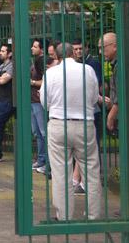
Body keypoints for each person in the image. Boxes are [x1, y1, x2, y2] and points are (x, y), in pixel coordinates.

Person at [41, 42, 102, 220]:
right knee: (91, 170)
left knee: (61, 173)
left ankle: (64, 216)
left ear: (56, 57)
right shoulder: (88, 70)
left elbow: (45, 101)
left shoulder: (51, 72)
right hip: (85, 123)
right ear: (73, 54)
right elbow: (93, 98)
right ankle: (93, 215)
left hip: (59, 122)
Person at [29, 39, 48, 174]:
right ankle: (41, 159)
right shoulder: (36, 60)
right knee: (37, 132)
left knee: (43, 132)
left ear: (42, 49)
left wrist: (33, 82)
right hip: (33, 100)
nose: (32, 48)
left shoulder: (42, 61)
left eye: (35, 46)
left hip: (38, 100)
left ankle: (45, 160)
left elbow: (46, 80)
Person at [100, 32, 118, 132]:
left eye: (102, 47)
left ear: (114, 46)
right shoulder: (115, 64)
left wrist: (110, 116)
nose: (100, 52)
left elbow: (120, 96)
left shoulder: (119, 65)